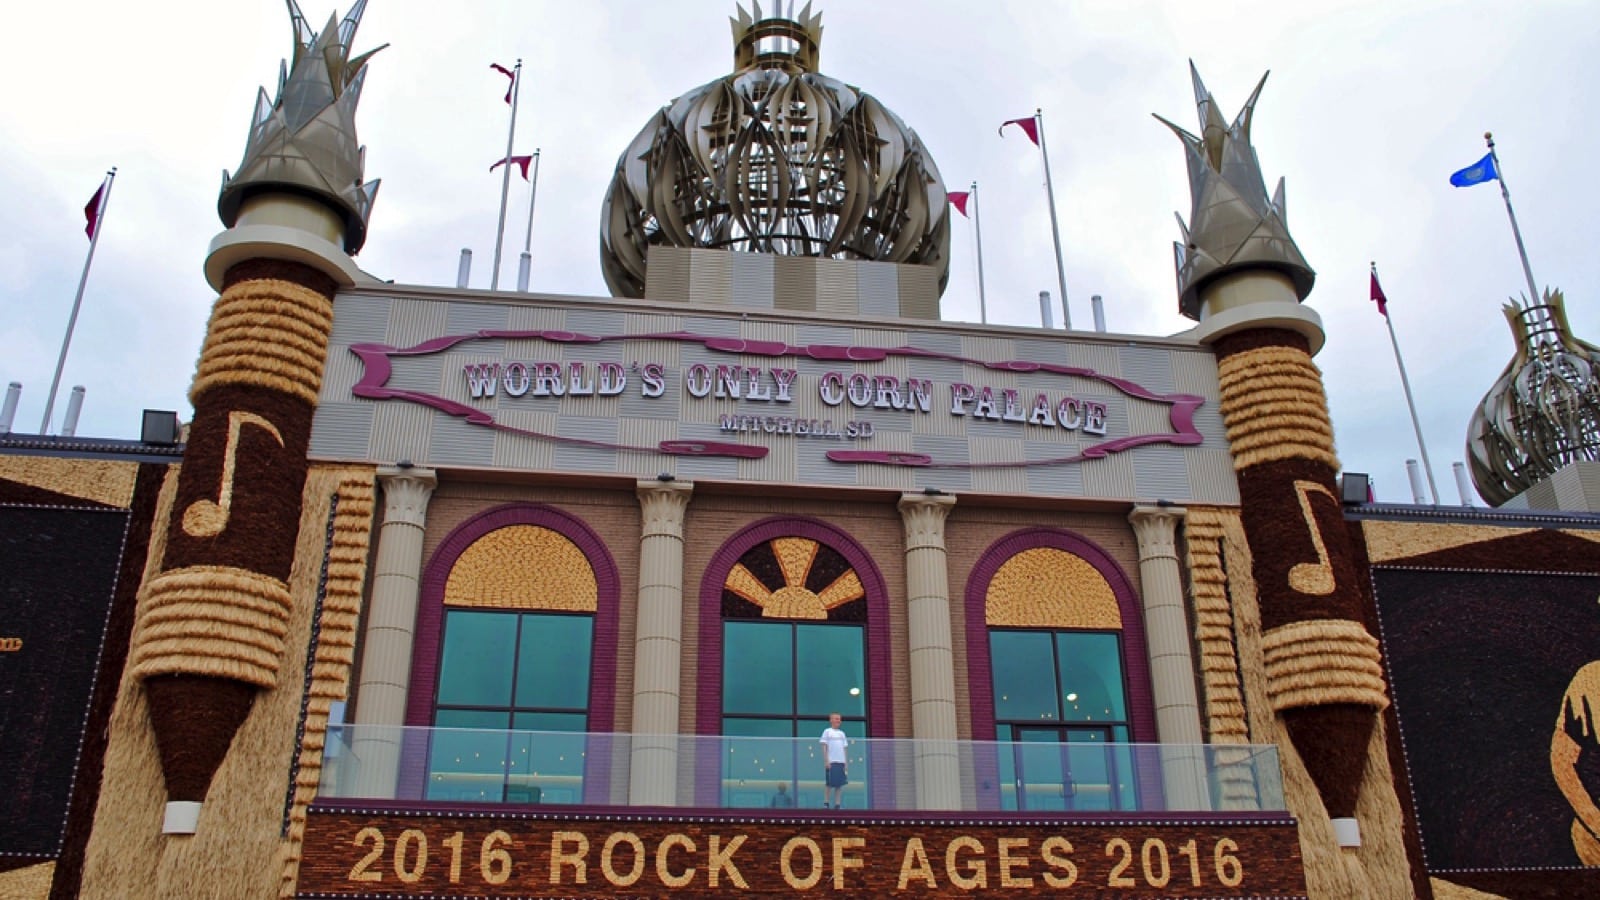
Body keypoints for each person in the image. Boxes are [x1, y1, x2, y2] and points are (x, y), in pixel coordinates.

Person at [820, 712, 849, 809]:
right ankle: (826, 802)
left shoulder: (842, 733)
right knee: (829, 783)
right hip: (831, 761)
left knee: (839, 784)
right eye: (836, 718)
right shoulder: (827, 731)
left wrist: (846, 762)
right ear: (831, 720)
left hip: (841, 762)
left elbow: (845, 748)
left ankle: (837, 804)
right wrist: (826, 760)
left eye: (839, 719)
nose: (838, 721)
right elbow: (824, 746)